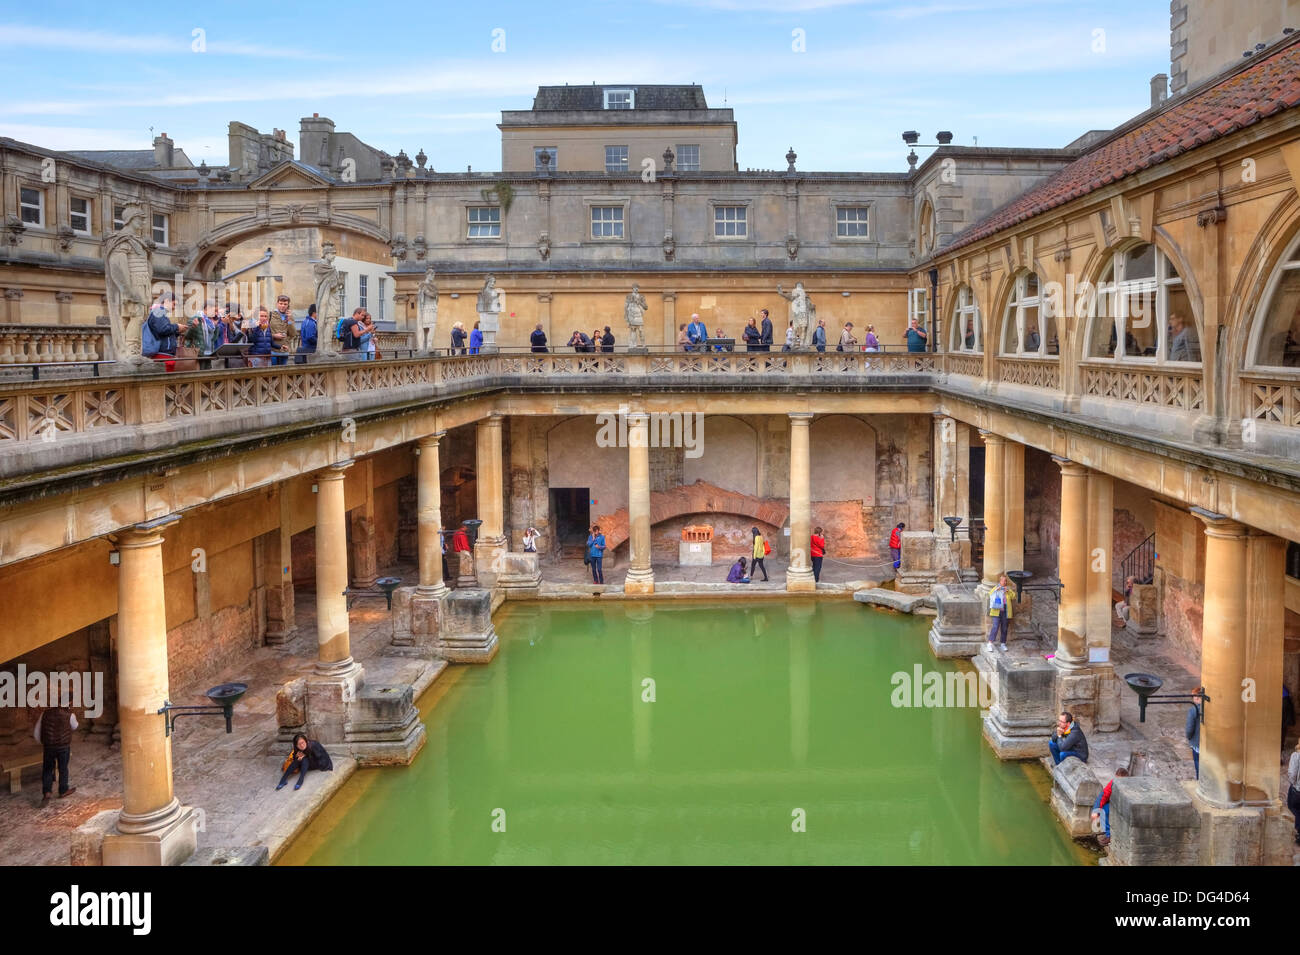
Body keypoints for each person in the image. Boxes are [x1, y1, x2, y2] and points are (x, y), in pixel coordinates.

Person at [33, 704, 77, 807]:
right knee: (63, 769)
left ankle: (47, 793)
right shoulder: (70, 715)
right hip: (63, 747)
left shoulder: (44, 714)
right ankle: (63, 790)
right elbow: (75, 726)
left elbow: (36, 732)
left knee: (47, 769)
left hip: (48, 747)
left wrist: (44, 742)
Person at [1090, 767, 1129, 847]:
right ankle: (1107, 833)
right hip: (1114, 803)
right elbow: (1103, 796)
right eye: (1117, 780)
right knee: (1103, 810)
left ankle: (1110, 836)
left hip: (1124, 806)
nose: (1118, 783)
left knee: (1106, 811)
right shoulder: (1112, 783)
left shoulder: (1128, 787)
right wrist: (1096, 811)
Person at [143, 290, 181, 361]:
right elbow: (163, 329)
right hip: (162, 354)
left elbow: (165, 334)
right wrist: (177, 326)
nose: (174, 307)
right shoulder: (159, 311)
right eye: (174, 304)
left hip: (163, 354)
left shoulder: (159, 312)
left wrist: (178, 331)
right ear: (166, 301)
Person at [987, 572, 1013, 652]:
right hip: (996, 610)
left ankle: (1003, 643)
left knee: (1004, 627)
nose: (1004, 582)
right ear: (1000, 581)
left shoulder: (1007, 589)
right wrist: (995, 590)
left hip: (1005, 610)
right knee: (995, 626)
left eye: (1005, 581)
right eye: (1003, 581)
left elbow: (1013, 596)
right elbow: (990, 595)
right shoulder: (996, 587)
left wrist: (1008, 591)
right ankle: (990, 643)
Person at [269, 294, 294, 366]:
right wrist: (273, 336)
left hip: (284, 350)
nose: (283, 306)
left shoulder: (290, 316)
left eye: (285, 304)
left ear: (288, 305)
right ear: (277, 304)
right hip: (273, 350)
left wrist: (289, 320)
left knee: (283, 373)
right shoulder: (270, 315)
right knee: (273, 373)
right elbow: (264, 332)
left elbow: (293, 334)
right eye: (281, 303)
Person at [1186, 688, 1202, 778]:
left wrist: (1189, 737)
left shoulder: (1193, 710)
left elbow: (1189, 728)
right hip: (1210, 745)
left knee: (1198, 767)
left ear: (1196, 697)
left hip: (1197, 743)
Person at [1287, 738, 1300, 845]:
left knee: (1293, 807)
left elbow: (1292, 774)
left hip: (1298, 790)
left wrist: (1294, 783)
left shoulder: (1296, 756)